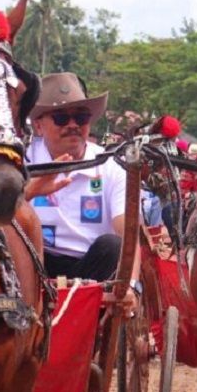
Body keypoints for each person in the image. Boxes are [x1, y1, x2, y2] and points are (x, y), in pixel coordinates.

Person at [25, 72, 128, 282]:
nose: (72, 125)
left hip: (90, 267)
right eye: (61, 117)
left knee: (113, 245)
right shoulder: (21, 161)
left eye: (81, 117)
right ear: (38, 125)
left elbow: (129, 237)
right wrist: (29, 191)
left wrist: (132, 286)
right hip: (34, 262)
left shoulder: (110, 167)